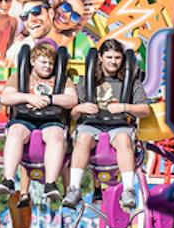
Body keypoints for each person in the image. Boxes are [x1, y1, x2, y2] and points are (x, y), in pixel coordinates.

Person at [65, 38, 151, 211]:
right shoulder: (88, 80)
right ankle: (74, 187)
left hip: (119, 126)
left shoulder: (131, 81)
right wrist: (81, 107)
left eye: (117, 58)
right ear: (100, 57)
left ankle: (128, 190)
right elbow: (73, 114)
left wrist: (124, 107)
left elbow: (145, 110)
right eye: (109, 57)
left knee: (124, 140)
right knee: (83, 139)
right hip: (91, 125)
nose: (113, 62)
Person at [0, 40, 77, 203]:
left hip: (51, 120)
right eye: (43, 62)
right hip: (24, 119)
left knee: (56, 135)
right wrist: (29, 97)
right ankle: (9, 179)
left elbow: (72, 99)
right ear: (33, 61)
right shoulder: (21, 77)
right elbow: (5, 97)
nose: (47, 66)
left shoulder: (62, 79)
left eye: (50, 63)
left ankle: (50, 183)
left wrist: (49, 99)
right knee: (15, 132)